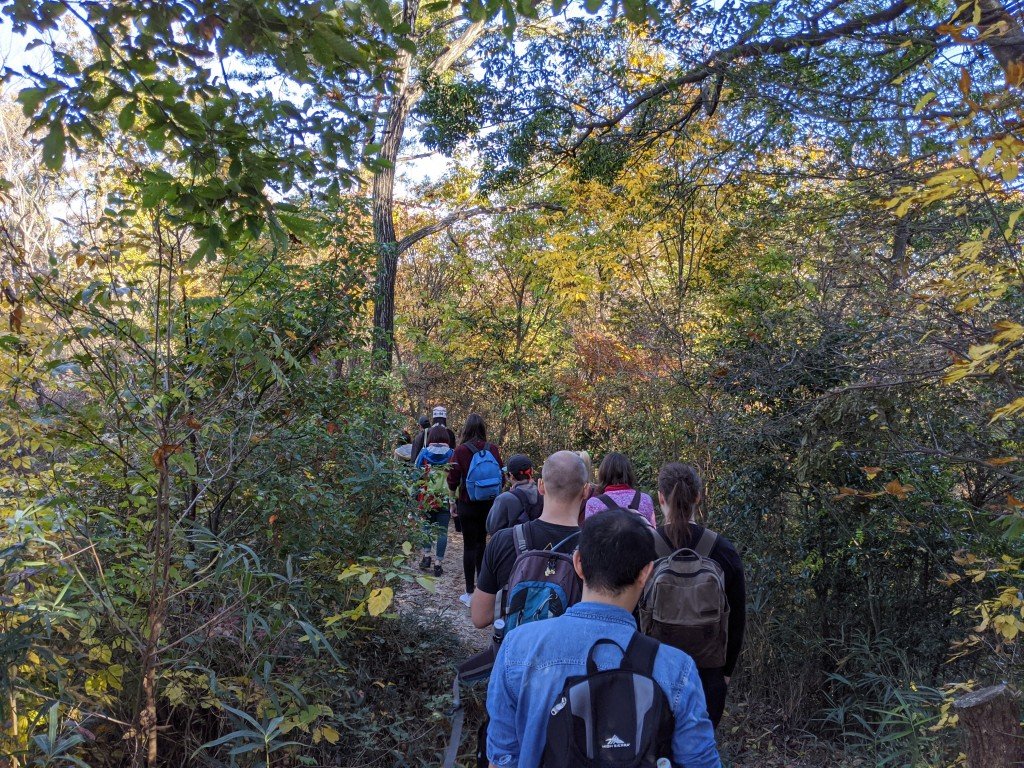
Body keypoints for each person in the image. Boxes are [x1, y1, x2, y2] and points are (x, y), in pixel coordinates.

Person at [485, 508, 721, 768]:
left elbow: (502, 757)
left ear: (578, 563)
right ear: (646, 573)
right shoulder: (676, 668)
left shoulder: (519, 647)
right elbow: (701, 762)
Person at [654, 462, 745, 729]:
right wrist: (726, 673)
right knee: (700, 747)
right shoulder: (722, 550)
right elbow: (737, 617)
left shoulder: (644, 546)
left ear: (660, 498)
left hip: (655, 674)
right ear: (698, 497)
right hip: (707, 676)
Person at [471, 450, 586, 630]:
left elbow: (479, 617)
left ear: (541, 486)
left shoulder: (503, 540)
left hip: (513, 645)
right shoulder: (595, 548)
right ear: (586, 491)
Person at [447, 414, 502, 607]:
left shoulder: (461, 450)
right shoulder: (492, 449)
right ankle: (483, 590)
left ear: (466, 429)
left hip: (467, 503)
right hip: (489, 504)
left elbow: (452, 479)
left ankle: (470, 592)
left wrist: (452, 501)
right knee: (482, 544)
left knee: (469, 546)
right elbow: (501, 474)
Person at [413, 425, 455, 576]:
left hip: (427, 497)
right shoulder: (452, 454)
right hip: (445, 497)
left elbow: (416, 474)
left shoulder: (424, 453)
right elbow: (456, 477)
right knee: (442, 531)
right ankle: (438, 564)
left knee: (426, 527)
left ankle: (426, 557)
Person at [583, 451, 656, 526]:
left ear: (602, 474)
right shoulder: (645, 499)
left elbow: (589, 533)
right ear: (629, 473)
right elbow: (653, 531)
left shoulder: (594, 504)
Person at [485, 454, 542, 535]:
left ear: (511, 476)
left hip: (514, 542)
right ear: (531, 471)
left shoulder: (504, 499)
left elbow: (492, 528)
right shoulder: (544, 493)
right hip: (542, 541)